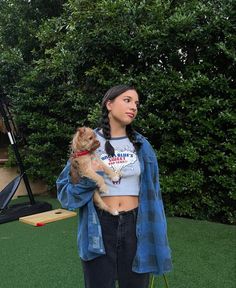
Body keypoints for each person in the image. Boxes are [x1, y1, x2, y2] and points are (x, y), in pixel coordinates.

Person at [56, 84, 172, 288]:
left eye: (136, 103)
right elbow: (66, 195)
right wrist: (88, 176)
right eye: (127, 100)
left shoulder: (142, 145)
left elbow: (155, 195)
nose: (134, 107)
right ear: (109, 104)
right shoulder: (87, 142)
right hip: (99, 224)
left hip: (137, 225)